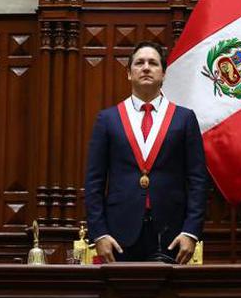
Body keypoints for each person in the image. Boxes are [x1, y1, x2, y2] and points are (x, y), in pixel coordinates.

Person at [85, 41, 207, 264]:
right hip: (118, 235)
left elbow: (198, 180)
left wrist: (191, 231)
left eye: (153, 63)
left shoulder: (184, 118)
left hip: (172, 234)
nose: (146, 67)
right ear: (129, 74)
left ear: (163, 73)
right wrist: (99, 233)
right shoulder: (108, 119)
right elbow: (94, 182)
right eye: (139, 63)